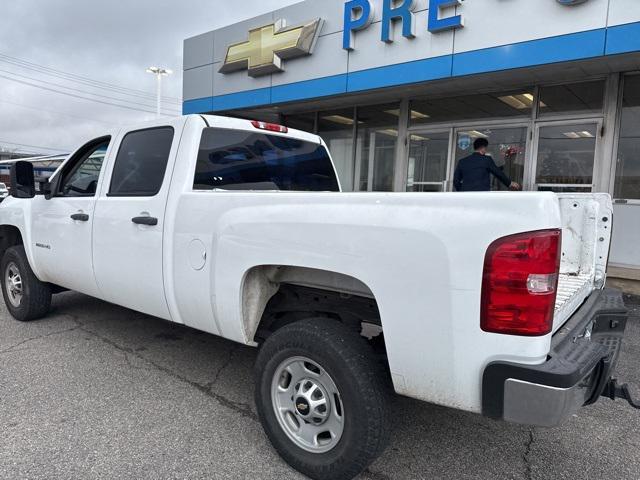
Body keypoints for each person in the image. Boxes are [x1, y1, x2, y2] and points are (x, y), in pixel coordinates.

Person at [453, 138, 521, 192]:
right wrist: (510, 183)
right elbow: (498, 173)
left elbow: (456, 181)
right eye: (486, 148)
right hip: (482, 194)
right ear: (483, 148)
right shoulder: (486, 159)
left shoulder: (462, 161)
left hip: (465, 196)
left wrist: (462, 190)